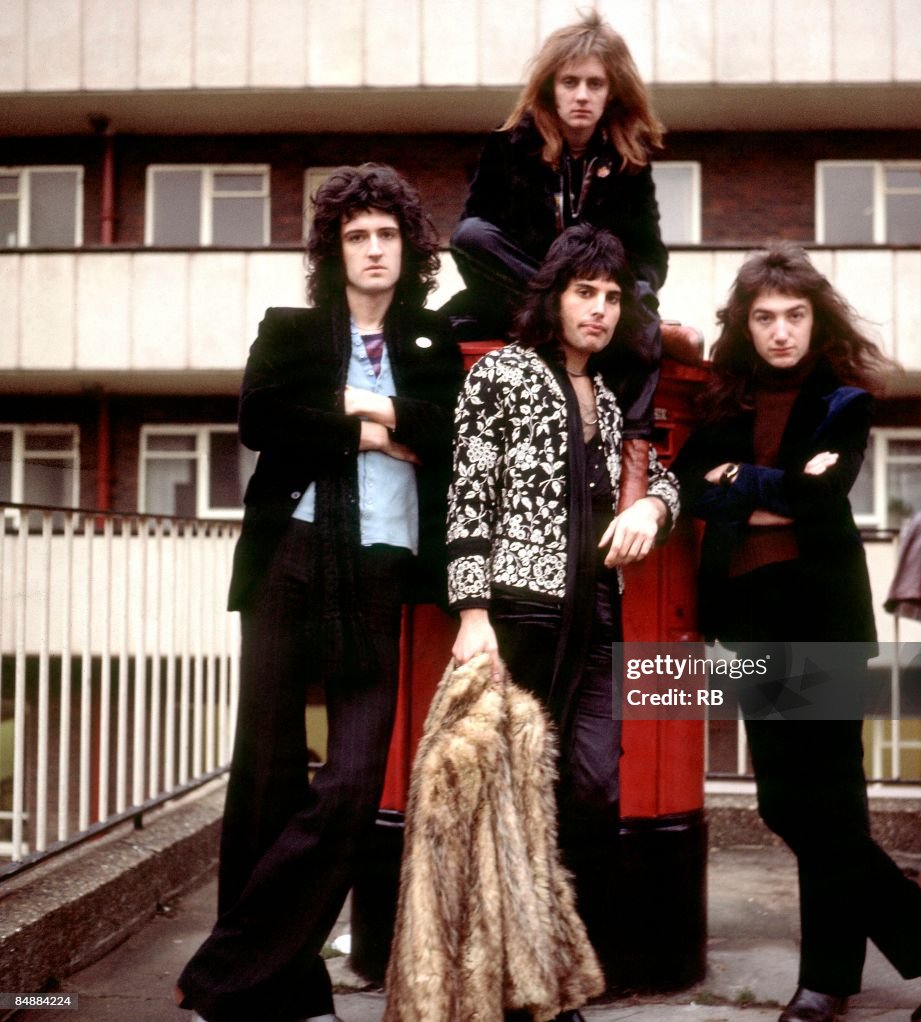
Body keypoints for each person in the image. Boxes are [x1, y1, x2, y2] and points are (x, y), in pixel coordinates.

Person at [669, 243, 921, 1022]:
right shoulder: (724, 400)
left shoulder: (842, 400)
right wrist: (763, 490)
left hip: (821, 614)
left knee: (832, 806)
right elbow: (689, 490)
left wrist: (738, 485)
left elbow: (819, 503)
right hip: (750, 617)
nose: (780, 331)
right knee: (790, 805)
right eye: (764, 318)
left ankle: (826, 983)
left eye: (793, 316)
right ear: (745, 326)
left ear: (816, 320)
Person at [175, 164, 464, 1022]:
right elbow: (262, 420)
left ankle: (225, 976)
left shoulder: (431, 342)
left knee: (349, 784)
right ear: (333, 250)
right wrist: (374, 423)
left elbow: (443, 431)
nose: (374, 249)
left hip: (380, 565)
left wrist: (347, 412)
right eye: (357, 235)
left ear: (408, 248)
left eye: (387, 234)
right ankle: (287, 983)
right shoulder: (291, 329)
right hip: (288, 558)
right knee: (264, 774)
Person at [447, 225, 680, 1022]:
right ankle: (521, 991)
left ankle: (550, 968)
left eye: (614, 297)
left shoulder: (610, 397)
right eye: (586, 292)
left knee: (591, 789)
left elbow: (663, 477)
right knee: (512, 800)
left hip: (598, 619)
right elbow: (468, 496)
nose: (602, 310)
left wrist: (653, 501)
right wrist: (472, 611)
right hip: (521, 613)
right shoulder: (503, 377)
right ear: (554, 297)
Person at [443, 11, 695, 506]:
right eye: (570, 82)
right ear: (550, 88)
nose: (581, 95)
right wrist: (556, 297)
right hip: (521, 298)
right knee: (466, 253)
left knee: (645, 330)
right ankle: (560, 306)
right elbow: (471, 238)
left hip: (599, 299)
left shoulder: (630, 159)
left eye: (595, 84)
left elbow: (650, 256)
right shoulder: (506, 146)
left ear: (611, 92)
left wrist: (635, 294)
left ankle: (634, 468)